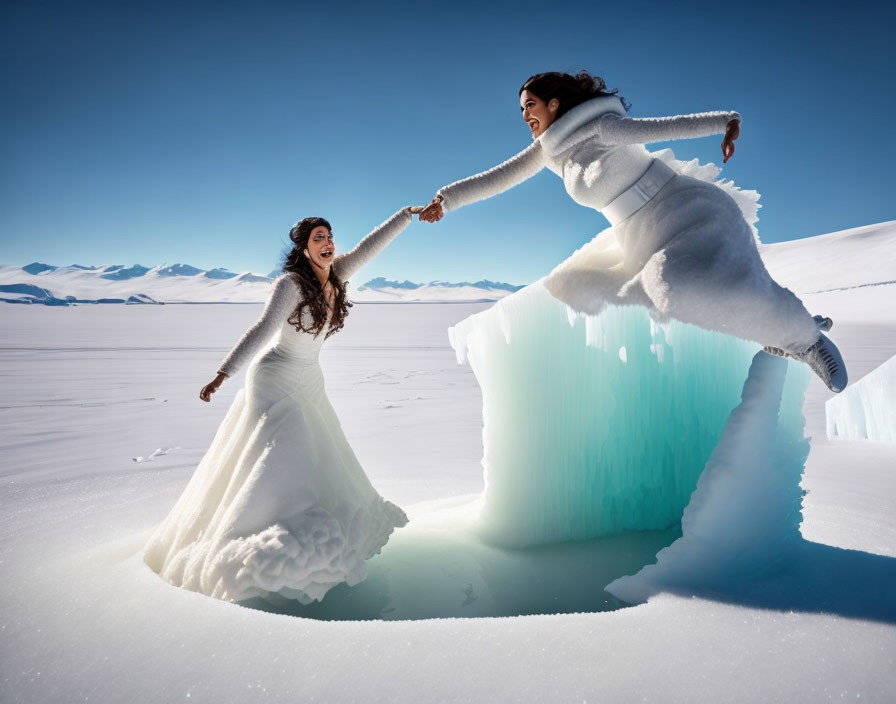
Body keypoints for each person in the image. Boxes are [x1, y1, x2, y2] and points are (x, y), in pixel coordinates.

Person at [418, 71, 847, 392]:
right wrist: (445, 199)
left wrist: (724, 122)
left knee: (678, 289)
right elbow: (495, 178)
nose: (525, 115)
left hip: (688, 209)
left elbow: (661, 127)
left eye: (529, 105)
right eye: (521, 109)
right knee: (674, 296)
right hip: (643, 234)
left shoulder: (600, 126)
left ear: (553, 103)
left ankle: (806, 339)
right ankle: (780, 332)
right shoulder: (548, 152)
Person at [143, 208, 415, 604]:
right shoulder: (290, 284)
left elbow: (370, 247)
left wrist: (406, 216)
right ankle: (255, 558)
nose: (327, 243)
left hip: (310, 380)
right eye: (318, 237)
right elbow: (262, 330)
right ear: (303, 248)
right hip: (275, 379)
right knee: (280, 466)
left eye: (329, 236)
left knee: (319, 461)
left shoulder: (337, 273)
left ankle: (313, 553)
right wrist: (224, 373)